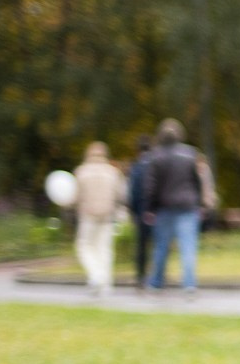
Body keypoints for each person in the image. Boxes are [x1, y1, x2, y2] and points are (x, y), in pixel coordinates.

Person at [144, 118, 214, 295]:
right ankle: (189, 284)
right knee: (188, 246)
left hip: (165, 207)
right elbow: (197, 181)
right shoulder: (191, 154)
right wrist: (200, 203)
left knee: (161, 247)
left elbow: (150, 186)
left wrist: (150, 208)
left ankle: (156, 283)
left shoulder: (155, 156)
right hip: (188, 206)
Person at [72, 141, 126, 296]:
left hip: (88, 215)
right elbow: (121, 194)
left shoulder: (82, 172)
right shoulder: (112, 172)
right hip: (107, 215)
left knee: (84, 247)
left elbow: (75, 196)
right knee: (105, 249)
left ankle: (96, 276)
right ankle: (106, 284)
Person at [126, 135, 155, 288]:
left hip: (141, 211)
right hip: (156, 211)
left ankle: (141, 276)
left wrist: (134, 211)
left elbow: (133, 192)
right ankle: (157, 274)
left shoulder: (136, 167)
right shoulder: (156, 164)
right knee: (157, 243)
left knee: (141, 246)